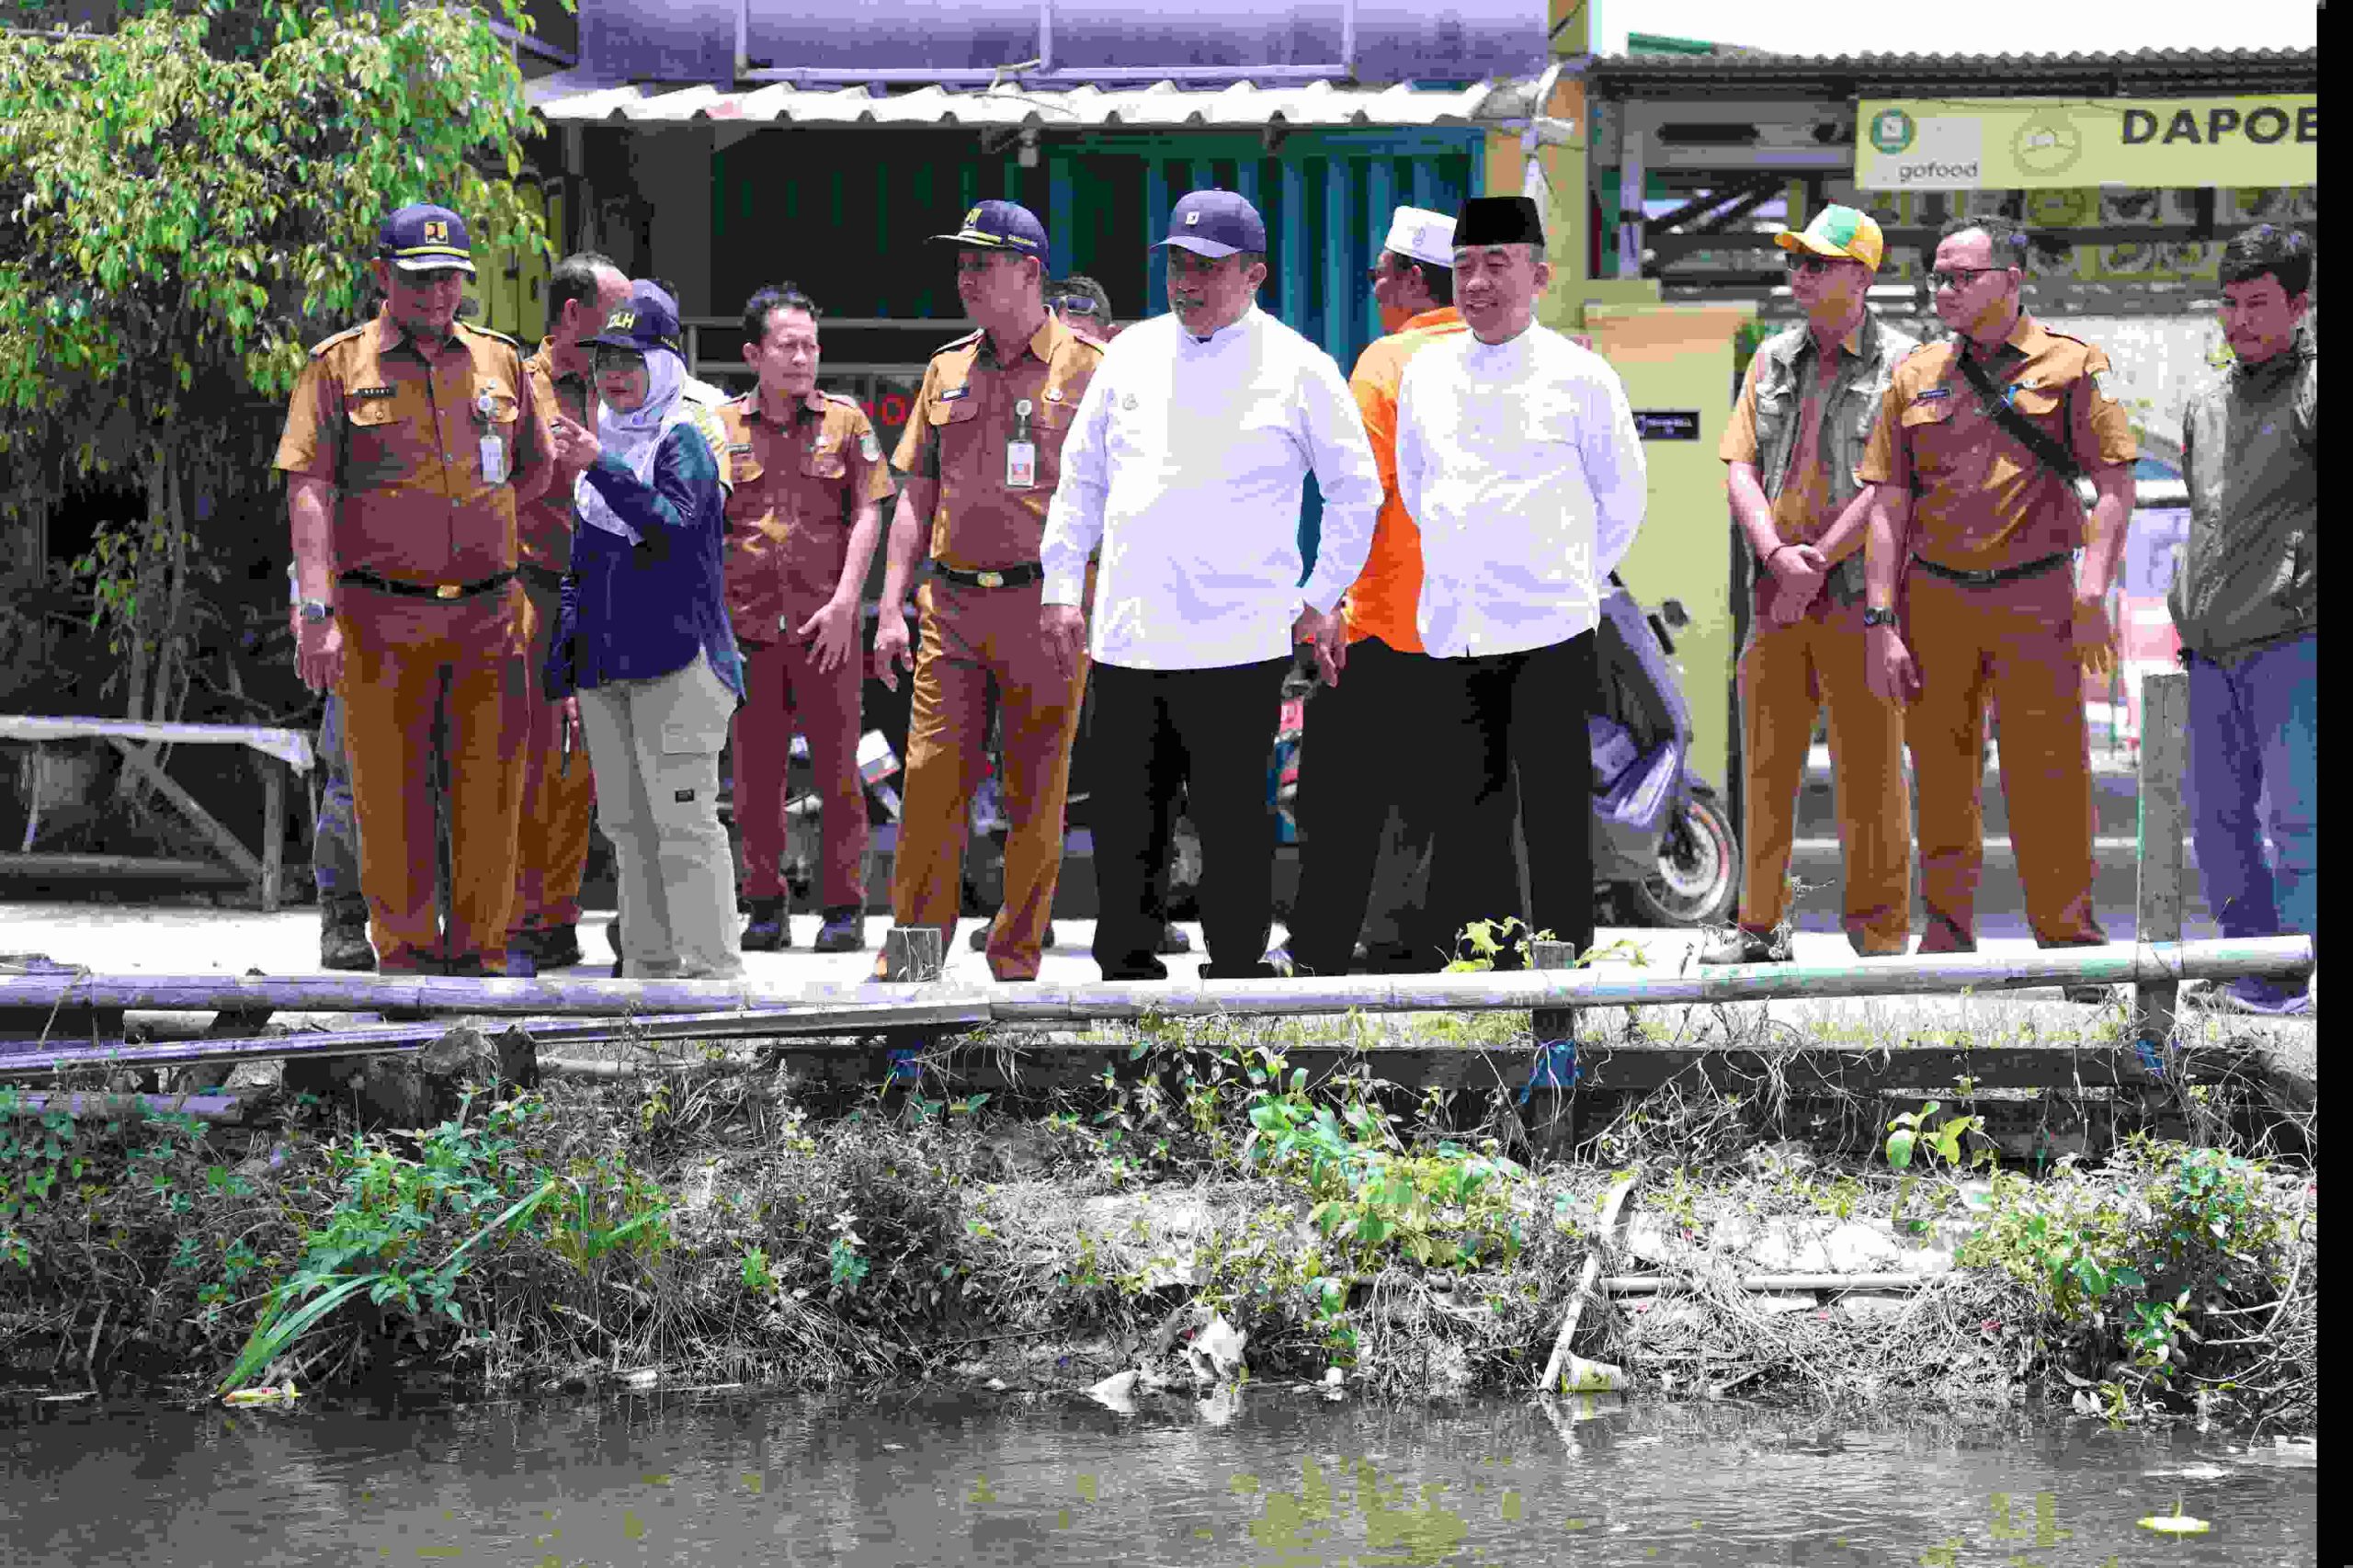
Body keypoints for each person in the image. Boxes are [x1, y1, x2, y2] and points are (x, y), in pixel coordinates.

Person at [1040, 188, 1381, 981]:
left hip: (1238, 640)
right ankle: (1125, 973)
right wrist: (1062, 585)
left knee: (1235, 821)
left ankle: (1237, 974)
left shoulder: (1299, 367)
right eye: (1176, 266)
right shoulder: (1128, 354)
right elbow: (1081, 479)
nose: (1185, 282)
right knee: (1129, 821)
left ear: (1254, 273)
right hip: (1129, 633)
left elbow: (1356, 490)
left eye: (1206, 268)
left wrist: (1320, 595)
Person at [275, 202, 551, 976]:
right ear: (382, 278)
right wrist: (316, 611)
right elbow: (309, 491)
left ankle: (482, 955)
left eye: (451, 282)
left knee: (491, 790)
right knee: (389, 797)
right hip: (377, 613)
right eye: (421, 282)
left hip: (490, 613)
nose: (438, 298)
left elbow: (536, 466)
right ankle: (406, 957)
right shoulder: (338, 366)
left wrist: (479, 531)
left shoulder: (501, 362)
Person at [1859, 213, 2137, 979]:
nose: (1944, 289)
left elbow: (2115, 485)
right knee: (1942, 777)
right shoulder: (1916, 375)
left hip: (2037, 598)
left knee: (2049, 776)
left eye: (1962, 276)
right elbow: (1888, 503)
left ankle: (2070, 942)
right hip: (1935, 601)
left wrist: (2090, 594)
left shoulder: (2073, 365)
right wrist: (1882, 619)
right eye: (1938, 276)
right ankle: (1947, 936)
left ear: (2011, 281)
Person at [1393, 195, 1647, 970]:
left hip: (1549, 627)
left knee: (1553, 814)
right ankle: (1479, 973)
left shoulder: (1582, 376)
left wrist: (1561, 574)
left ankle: (1559, 976)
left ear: (1538, 275)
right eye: (1464, 266)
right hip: (1455, 626)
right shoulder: (1426, 374)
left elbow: (1623, 501)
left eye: (1496, 265)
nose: (1476, 282)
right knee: (1467, 812)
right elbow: (1416, 486)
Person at [870, 201, 1108, 982]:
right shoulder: (947, 368)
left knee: (1034, 791)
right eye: (962, 263)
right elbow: (915, 494)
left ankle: (1015, 960)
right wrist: (892, 604)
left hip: (1046, 607)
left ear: (1030, 272)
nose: (966, 278)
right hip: (952, 609)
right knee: (931, 783)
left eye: (983, 263)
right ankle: (911, 961)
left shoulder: (1091, 370)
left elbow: (1123, 493)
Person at [1705, 206, 1917, 966]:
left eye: (1817, 263)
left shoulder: (1909, 367)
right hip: (1777, 598)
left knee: (1871, 774)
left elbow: (1895, 480)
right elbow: (1739, 466)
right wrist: (1774, 557)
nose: (1799, 273)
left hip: (1862, 598)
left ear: (1862, 276)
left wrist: (1817, 560)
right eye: (1795, 260)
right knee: (1766, 768)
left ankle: (1881, 938)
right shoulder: (1770, 359)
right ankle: (1760, 928)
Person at [1277, 204, 1468, 977]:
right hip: (1475, 634)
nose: (1375, 289)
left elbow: (1363, 496)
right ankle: (1433, 949)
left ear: (1412, 280)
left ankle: (1320, 948)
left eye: (1377, 275)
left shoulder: (1388, 363)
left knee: (1339, 802)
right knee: (1453, 807)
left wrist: (1328, 604)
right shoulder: (1501, 355)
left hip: (1388, 624)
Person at [544, 280, 746, 980]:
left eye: (631, 360)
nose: (616, 375)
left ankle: (716, 980)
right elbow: (580, 566)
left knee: (685, 825)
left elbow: (681, 531)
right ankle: (650, 977)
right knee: (627, 831)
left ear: (665, 364)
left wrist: (601, 468)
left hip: (678, 663)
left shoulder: (682, 437)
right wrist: (563, 668)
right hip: (607, 669)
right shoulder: (598, 450)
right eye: (604, 362)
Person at [720, 281, 895, 954]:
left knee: (838, 772)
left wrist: (849, 600)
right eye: (787, 345)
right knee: (755, 778)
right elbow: (708, 527)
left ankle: (844, 908)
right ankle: (764, 905)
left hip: (829, 631)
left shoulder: (847, 423)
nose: (801, 357)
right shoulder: (723, 429)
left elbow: (870, 511)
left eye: (810, 345)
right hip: (751, 632)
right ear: (753, 354)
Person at [2170, 224, 2315, 1016]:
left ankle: (2292, 980)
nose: (2239, 321)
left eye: (2258, 304)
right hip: (2211, 649)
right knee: (2218, 824)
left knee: (2299, 821)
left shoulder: (2313, 391)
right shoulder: (2205, 402)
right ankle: (2249, 969)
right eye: (2228, 304)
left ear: (2300, 305)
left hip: (2295, 640)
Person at [509, 250, 632, 973]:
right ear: (572, 314)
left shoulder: (621, 384)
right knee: (527, 760)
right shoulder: (519, 387)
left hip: (605, 590)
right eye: (612, 309)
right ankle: (522, 919)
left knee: (585, 766)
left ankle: (559, 914)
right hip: (535, 588)